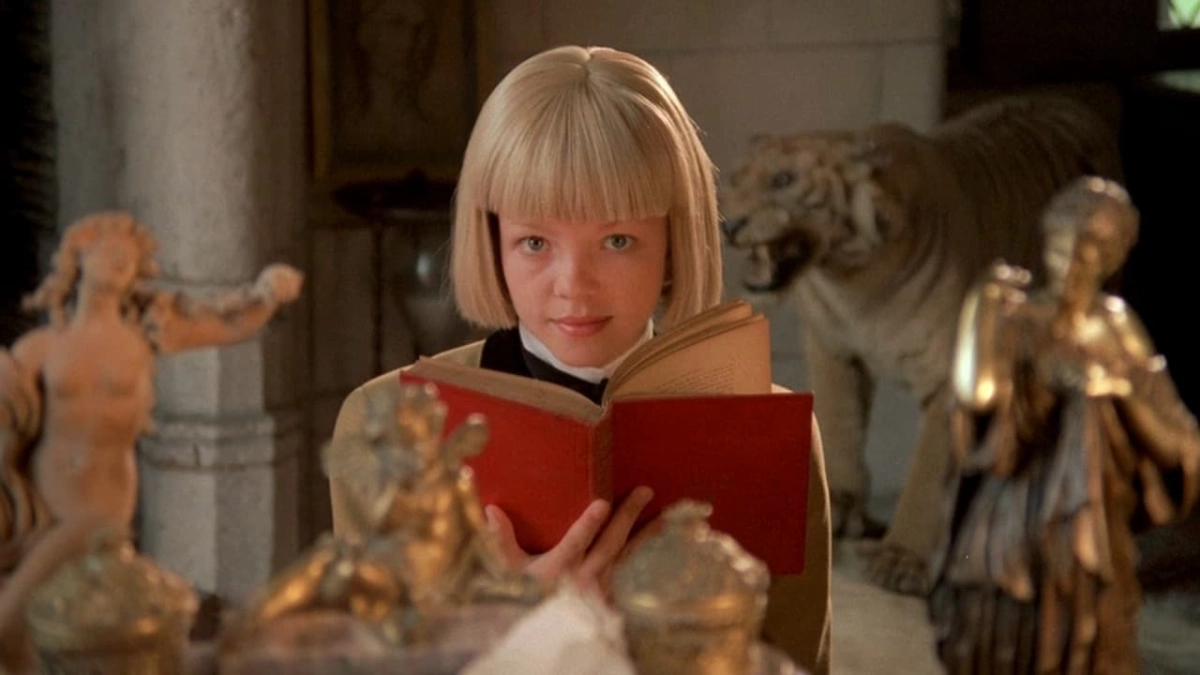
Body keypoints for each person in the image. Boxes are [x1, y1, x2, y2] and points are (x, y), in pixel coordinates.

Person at [328, 45, 833, 673]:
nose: (574, 285)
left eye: (617, 240)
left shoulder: (775, 436)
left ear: (673, 243)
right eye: (535, 241)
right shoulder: (381, 424)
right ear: (492, 241)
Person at [0, 212, 302, 653]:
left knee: (13, 618)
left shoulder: (145, 334)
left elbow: (231, 324)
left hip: (101, 507)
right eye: (110, 250)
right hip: (44, 506)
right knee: (48, 629)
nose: (121, 260)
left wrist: (268, 294)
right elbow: (10, 420)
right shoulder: (43, 347)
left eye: (130, 256)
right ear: (79, 257)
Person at [930, 178, 1199, 673]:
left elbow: (1176, 440)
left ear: (1112, 258)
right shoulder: (1017, 318)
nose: (1070, 259)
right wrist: (980, 307)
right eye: (1060, 244)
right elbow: (978, 396)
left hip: (1093, 532)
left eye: (1090, 248)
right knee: (1005, 639)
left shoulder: (1117, 327)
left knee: (1090, 639)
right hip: (1013, 525)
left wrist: (1113, 394)